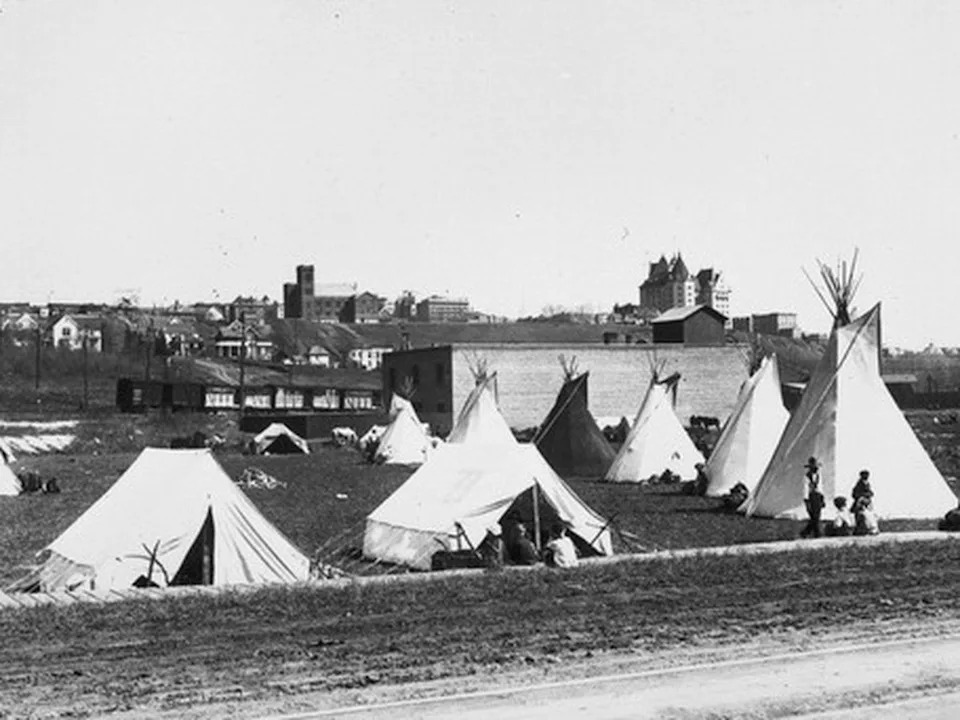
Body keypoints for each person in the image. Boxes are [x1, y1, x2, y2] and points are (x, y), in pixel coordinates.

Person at [800, 456, 825, 539]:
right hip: (811, 496)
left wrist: (822, 498)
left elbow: (821, 487)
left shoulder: (818, 476)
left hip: (818, 495)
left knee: (817, 516)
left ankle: (807, 532)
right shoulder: (807, 476)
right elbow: (805, 488)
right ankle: (816, 533)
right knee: (814, 515)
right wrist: (806, 500)